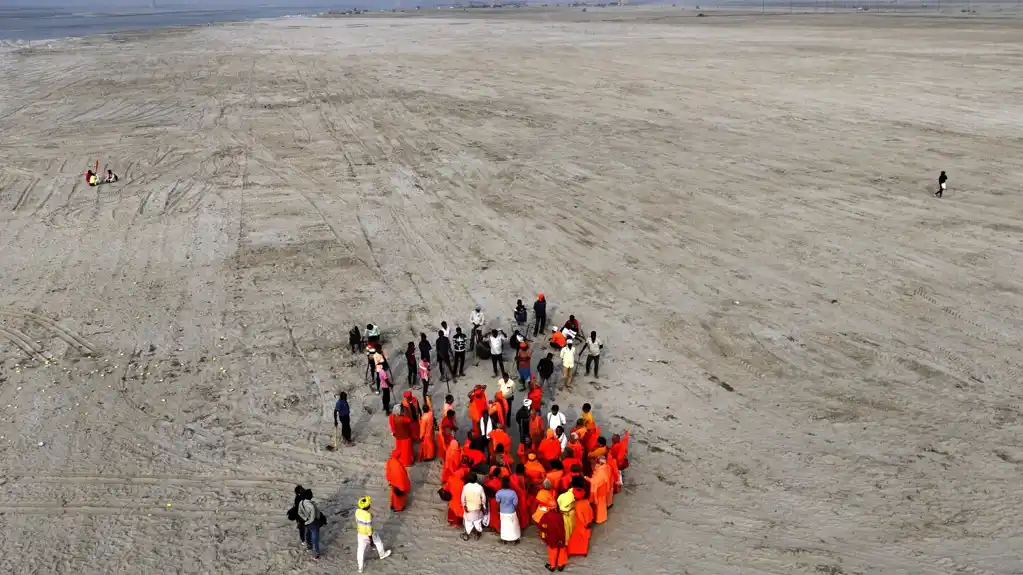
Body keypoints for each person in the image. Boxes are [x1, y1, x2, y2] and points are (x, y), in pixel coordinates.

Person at [355, 496, 392, 573]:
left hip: (360, 533)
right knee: (378, 542)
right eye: (369, 504)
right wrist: (370, 539)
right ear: (368, 506)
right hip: (368, 534)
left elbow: (358, 520)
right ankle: (382, 555)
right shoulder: (367, 515)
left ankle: (360, 568)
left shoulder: (357, 511)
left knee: (360, 550)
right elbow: (368, 528)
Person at [538, 503, 568, 572]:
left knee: (552, 551)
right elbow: (562, 527)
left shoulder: (545, 516)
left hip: (551, 537)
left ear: (548, 508)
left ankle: (552, 566)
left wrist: (545, 531)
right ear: (555, 507)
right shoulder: (559, 515)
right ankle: (560, 565)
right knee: (561, 550)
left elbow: (541, 526)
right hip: (560, 536)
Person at [297, 488, 324, 560]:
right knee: (315, 538)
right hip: (313, 523)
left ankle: (309, 547)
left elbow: (300, 512)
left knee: (307, 534)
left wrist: (305, 520)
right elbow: (312, 518)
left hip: (306, 521)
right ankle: (316, 554)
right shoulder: (312, 506)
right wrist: (308, 521)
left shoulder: (301, 502)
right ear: (309, 496)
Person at [460, 472, 487, 540]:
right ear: (476, 479)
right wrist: (483, 506)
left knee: (468, 522)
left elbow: (463, 499)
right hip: (477, 509)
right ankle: (478, 533)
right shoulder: (480, 487)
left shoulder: (465, 487)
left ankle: (467, 533)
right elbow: (483, 499)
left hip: (468, 509)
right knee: (477, 522)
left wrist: (464, 506)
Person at [567, 487, 593, 556]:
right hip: (587, 521)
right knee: (584, 538)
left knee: (575, 538)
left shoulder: (577, 505)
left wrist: (585, 524)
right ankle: (583, 551)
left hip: (580, 524)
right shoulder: (586, 502)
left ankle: (572, 551)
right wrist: (590, 521)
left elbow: (580, 516)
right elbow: (591, 511)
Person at [495, 476, 521, 544]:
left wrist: (498, 510)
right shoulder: (513, 493)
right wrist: (515, 510)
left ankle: (504, 539)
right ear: (509, 483)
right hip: (511, 511)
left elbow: (498, 503)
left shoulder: (499, 492)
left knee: (504, 526)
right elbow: (515, 504)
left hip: (502, 511)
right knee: (513, 525)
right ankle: (514, 540)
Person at [590, 456, 612, 524]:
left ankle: (599, 519)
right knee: (602, 504)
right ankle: (602, 517)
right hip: (604, 490)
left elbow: (595, 484)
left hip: (599, 492)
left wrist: (587, 478)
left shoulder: (599, 472)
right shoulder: (607, 467)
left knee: (599, 506)